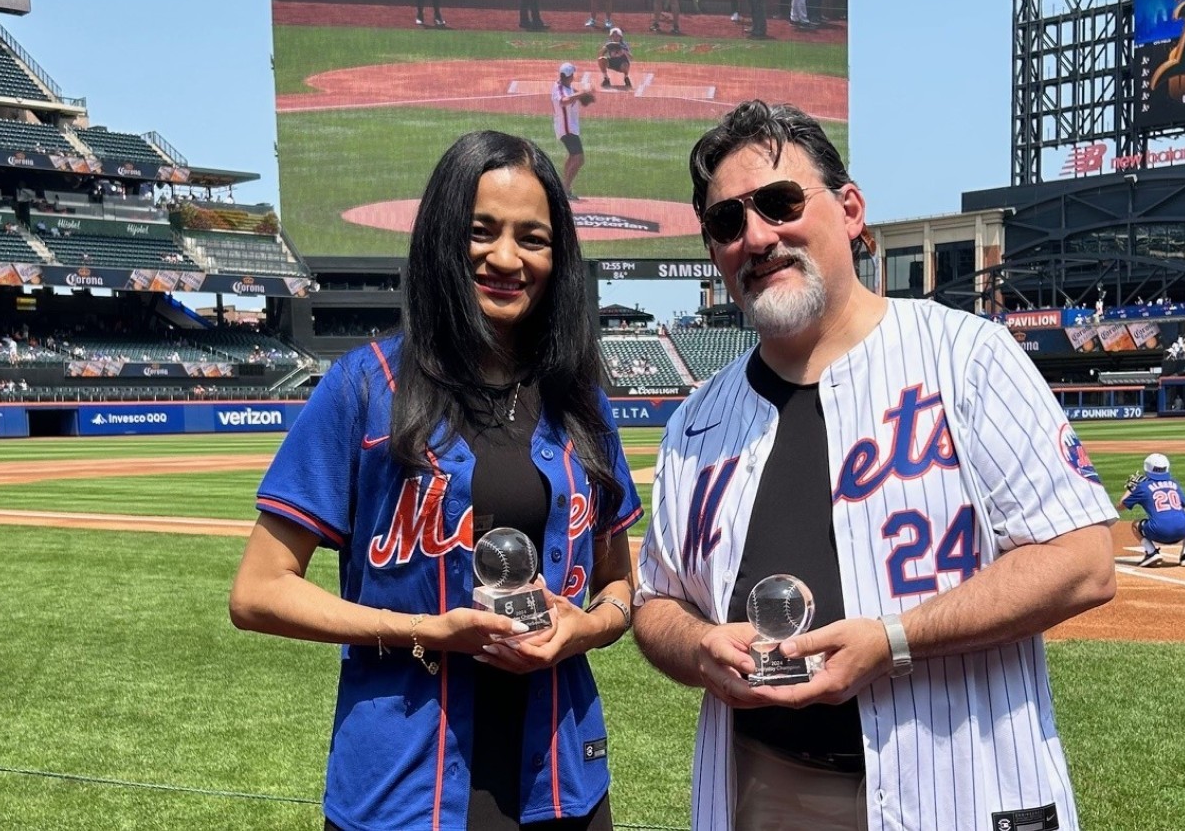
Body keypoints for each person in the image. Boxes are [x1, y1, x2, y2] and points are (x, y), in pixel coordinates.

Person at [631, 100, 1120, 831]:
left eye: (778, 203)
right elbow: (656, 604)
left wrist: (892, 641)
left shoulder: (967, 357)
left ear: (851, 209)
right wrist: (698, 646)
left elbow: (1082, 562)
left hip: (960, 785)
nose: (757, 236)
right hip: (765, 791)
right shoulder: (696, 422)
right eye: (728, 223)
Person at [230, 130, 643, 831]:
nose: (506, 258)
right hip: (401, 787)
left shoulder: (579, 400)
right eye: (481, 232)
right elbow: (258, 592)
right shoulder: (366, 387)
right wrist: (426, 629)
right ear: (442, 239)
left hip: (563, 781)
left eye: (532, 238)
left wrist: (586, 627)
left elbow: (621, 585)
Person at [1118, 452, 1185, 567]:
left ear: (1147, 468)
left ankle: (1151, 552)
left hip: (1159, 533)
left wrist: (1131, 489)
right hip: (1182, 531)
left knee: (1136, 524)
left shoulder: (1143, 487)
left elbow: (1120, 507)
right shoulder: (1174, 483)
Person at [552, 62, 591, 200]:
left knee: (573, 156)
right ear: (569, 76)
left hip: (570, 128)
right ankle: (565, 189)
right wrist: (581, 93)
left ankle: (564, 187)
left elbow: (578, 98)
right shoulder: (559, 88)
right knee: (579, 158)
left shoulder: (567, 87)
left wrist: (585, 96)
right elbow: (564, 101)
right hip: (566, 129)